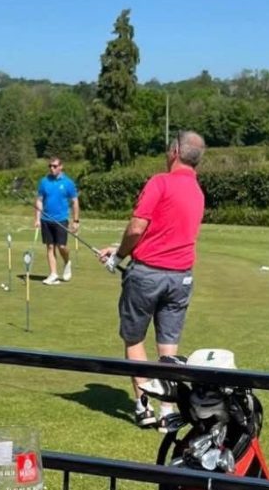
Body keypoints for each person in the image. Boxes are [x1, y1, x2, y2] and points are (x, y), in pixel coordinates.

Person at [98, 130, 206, 430]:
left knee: (134, 339)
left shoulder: (160, 182)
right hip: (181, 278)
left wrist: (117, 256)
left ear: (174, 152)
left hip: (147, 274)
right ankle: (168, 410)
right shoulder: (197, 191)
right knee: (168, 348)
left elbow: (137, 228)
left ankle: (143, 406)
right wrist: (117, 251)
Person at [34, 156, 80, 285]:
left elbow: (75, 201)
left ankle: (67, 262)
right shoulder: (44, 181)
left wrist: (76, 221)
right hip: (46, 219)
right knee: (49, 247)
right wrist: (37, 218)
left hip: (61, 219)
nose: (52, 168)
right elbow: (39, 200)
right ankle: (53, 274)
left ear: (61, 167)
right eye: (50, 166)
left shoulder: (68, 183)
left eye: (54, 166)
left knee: (62, 246)